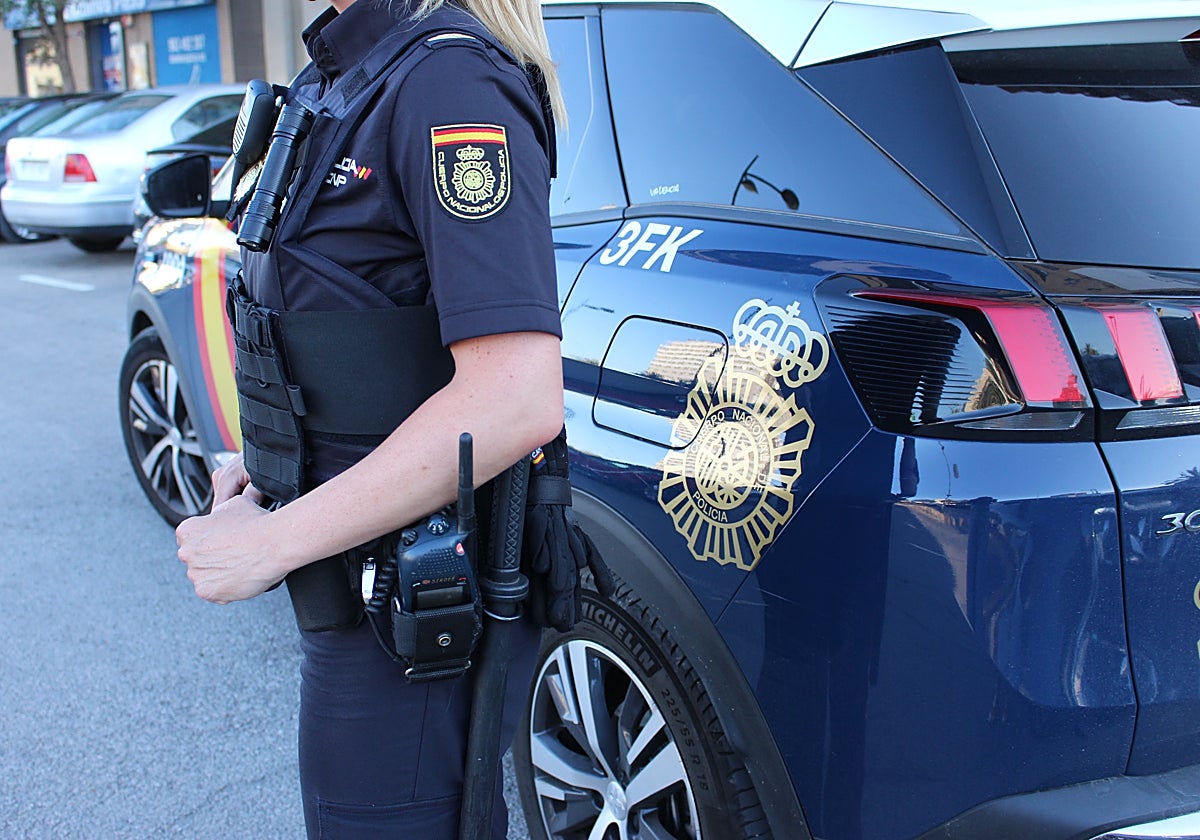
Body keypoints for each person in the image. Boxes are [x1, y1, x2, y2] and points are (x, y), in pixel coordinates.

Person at [175, 0, 566, 836]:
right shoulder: (346, 72)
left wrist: (271, 543)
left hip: (415, 607)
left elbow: (516, 397)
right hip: (355, 589)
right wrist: (279, 456)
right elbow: (355, 329)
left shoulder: (449, 82)